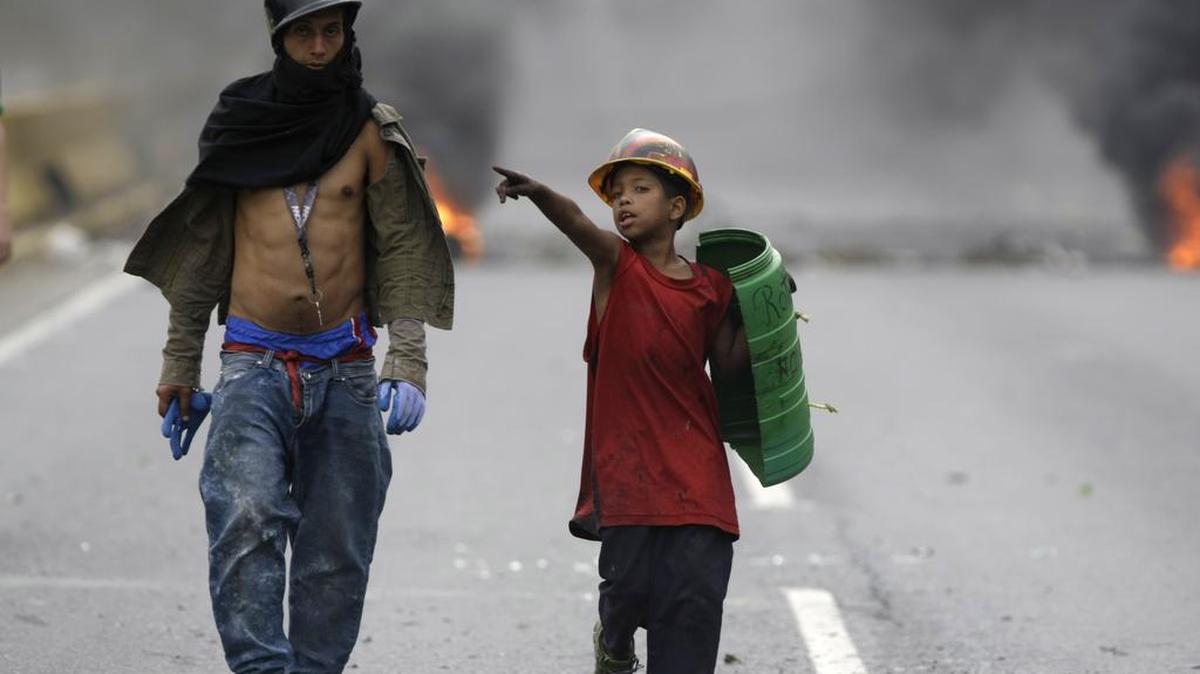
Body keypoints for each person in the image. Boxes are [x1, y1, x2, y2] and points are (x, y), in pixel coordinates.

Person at [124, 1, 454, 671]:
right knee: (243, 519)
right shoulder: (241, 125)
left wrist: (408, 361)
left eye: (331, 30)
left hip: (347, 369)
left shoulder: (369, 129)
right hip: (254, 362)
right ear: (280, 37)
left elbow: (402, 248)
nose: (319, 45)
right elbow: (202, 252)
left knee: (339, 547)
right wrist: (181, 363)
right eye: (304, 31)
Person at [494, 128, 749, 674]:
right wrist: (538, 192)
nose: (624, 201)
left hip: (696, 469)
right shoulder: (617, 266)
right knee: (628, 589)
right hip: (628, 469)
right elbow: (576, 223)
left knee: (695, 601)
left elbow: (729, 364)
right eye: (617, 194)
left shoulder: (711, 288)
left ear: (677, 207)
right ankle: (613, 640)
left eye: (640, 189)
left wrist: (764, 307)